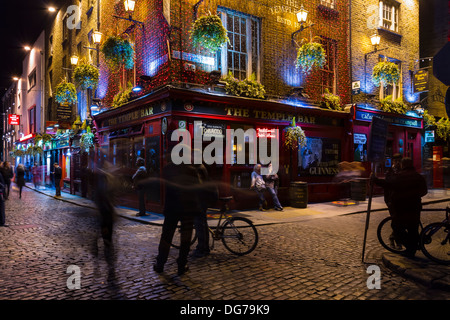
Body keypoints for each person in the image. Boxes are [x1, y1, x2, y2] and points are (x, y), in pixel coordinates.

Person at [153, 159, 202, 276]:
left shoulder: (168, 168)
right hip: (187, 208)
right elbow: (199, 187)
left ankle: (160, 264)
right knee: (185, 239)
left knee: (166, 237)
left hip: (172, 207)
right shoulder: (192, 170)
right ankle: (181, 265)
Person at [372, 157, 428, 258]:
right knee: (413, 229)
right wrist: (414, 196)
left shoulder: (399, 177)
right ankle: (412, 249)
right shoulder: (418, 177)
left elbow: (387, 184)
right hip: (415, 206)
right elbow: (424, 191)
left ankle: (410, 247)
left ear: (403, 165)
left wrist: (375, 180)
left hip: (401, 207)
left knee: (397, 227)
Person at [193, 163, 215, 257]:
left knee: (200, 225)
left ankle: (202, 248)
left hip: (200, 200)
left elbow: (198, 185)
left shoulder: (199, 168)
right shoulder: (201, 167)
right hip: (202, 199)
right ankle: (204, 247)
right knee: (203, 224)